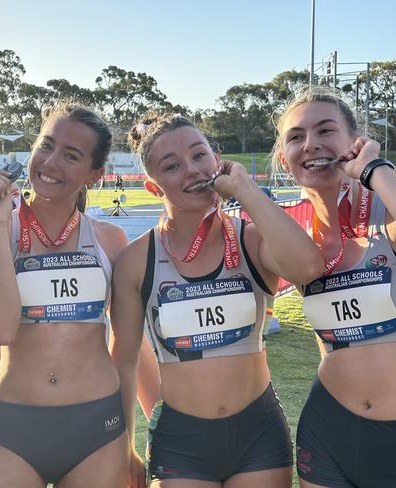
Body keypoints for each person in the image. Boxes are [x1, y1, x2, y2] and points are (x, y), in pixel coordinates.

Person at [111, 114, 324, 488]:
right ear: (152, 186)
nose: (192, 171)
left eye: (199, 156)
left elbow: (308, 266)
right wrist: (124, 449)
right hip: (180, 441)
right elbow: (124, 363)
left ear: (218, 159)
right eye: (172, 166)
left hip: (258, 435)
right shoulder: (135, 261)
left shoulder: (254, 241)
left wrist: (245, 190)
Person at [271, 86, 396, 488]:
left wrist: (375, 170)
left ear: (356, 143)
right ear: (284, 160)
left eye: (326, 131)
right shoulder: (301, 245)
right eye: (296, 137)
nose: (311, 145)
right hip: (325, 435)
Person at [0, 102, 130, 488]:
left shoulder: (110, 240)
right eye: (47, 146)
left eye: (71, 156)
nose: (51, 163)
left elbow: (128, 349)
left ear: (95, 173)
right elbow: (0, 331)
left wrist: (133, 439)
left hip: (97, 426)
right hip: (16, 425)